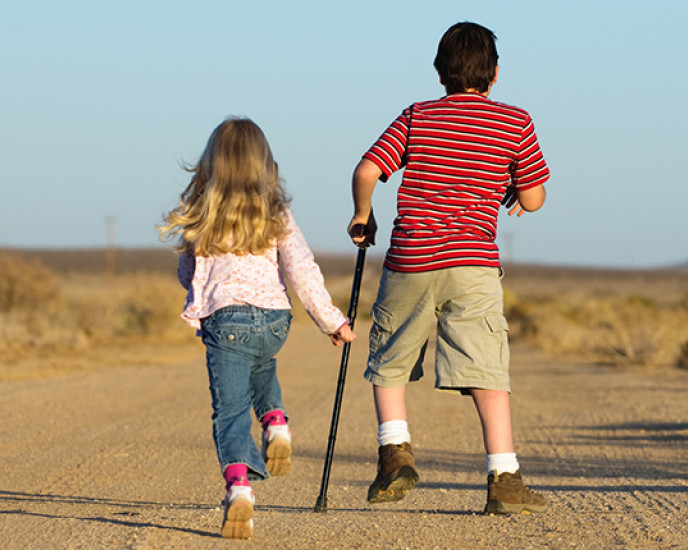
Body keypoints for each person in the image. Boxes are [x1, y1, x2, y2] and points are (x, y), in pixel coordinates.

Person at [347, 21, 549, 515]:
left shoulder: (417, 117)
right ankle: (503, 478)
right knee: (486, 369)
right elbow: (535, 197)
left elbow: (367, 170)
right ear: (495, 74)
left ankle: (395, 453)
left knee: (390, 360)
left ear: (440, 72)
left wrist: (362, 212)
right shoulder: (515, 123)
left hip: (412, 257)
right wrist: (513, 192)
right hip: (472, 262)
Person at [159, 117, 356, 539]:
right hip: (274, 320)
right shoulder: (276, 211)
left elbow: (186, 271)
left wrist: (202, 294)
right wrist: (331, 320)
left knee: (229, 413)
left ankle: (239, 491)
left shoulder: (203, 212)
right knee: (261, 364)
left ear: (211, 165)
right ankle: (276, 422)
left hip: (225, 322)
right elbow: (301, 268)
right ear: (264, 165)